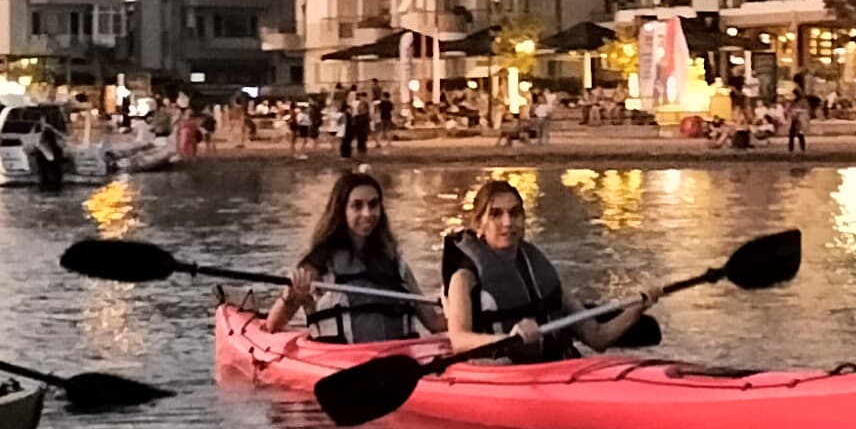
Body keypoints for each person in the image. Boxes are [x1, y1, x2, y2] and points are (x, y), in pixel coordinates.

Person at [438, 179, 654, 360]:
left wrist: (637, 307)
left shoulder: (538, 268)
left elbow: (597, 337)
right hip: (500, 372)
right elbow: (458, 340)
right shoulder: (464, 277)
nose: (507, 222)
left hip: (555, 368)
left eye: (515, 213)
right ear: (479, 224)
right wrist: (509, 339)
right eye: (496, 214)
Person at [267, 169, 445, 344]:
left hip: (397, 360)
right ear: (341, 210)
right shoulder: (318, 263)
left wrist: (463, 313)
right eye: (357, 206)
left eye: (373, 205)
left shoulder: (394, 261)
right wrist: (290, 298)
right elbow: (274, 324)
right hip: (343, 362)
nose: (367, 214)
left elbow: (433, 322)